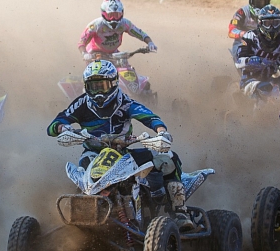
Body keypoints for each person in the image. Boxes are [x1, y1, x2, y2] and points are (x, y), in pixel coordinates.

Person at [47, 61, 192, 229]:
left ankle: (180, 211)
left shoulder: (125, 103)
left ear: (114, 83)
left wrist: (161, 132)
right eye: (94, 87)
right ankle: (77, 223)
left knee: (170, 158)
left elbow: (150, 118)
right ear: (86, 86)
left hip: (124, 154)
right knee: (80, 179)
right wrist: (63, 127)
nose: (98, 92)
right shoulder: (81, 104)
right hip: (93, 154)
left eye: (102, 86)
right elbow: (54, 125)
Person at [78, 0, 158, 59]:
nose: (114, 18)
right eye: (111, 15)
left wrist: (150, 42)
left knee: (127, 72)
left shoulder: (125, 23)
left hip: (114, 54)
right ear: (104, 13)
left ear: (122, 13)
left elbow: (139, 33)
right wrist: (84, 53)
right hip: (94, 54)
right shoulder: (95, 25)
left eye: (117, 15)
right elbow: (82, 41)